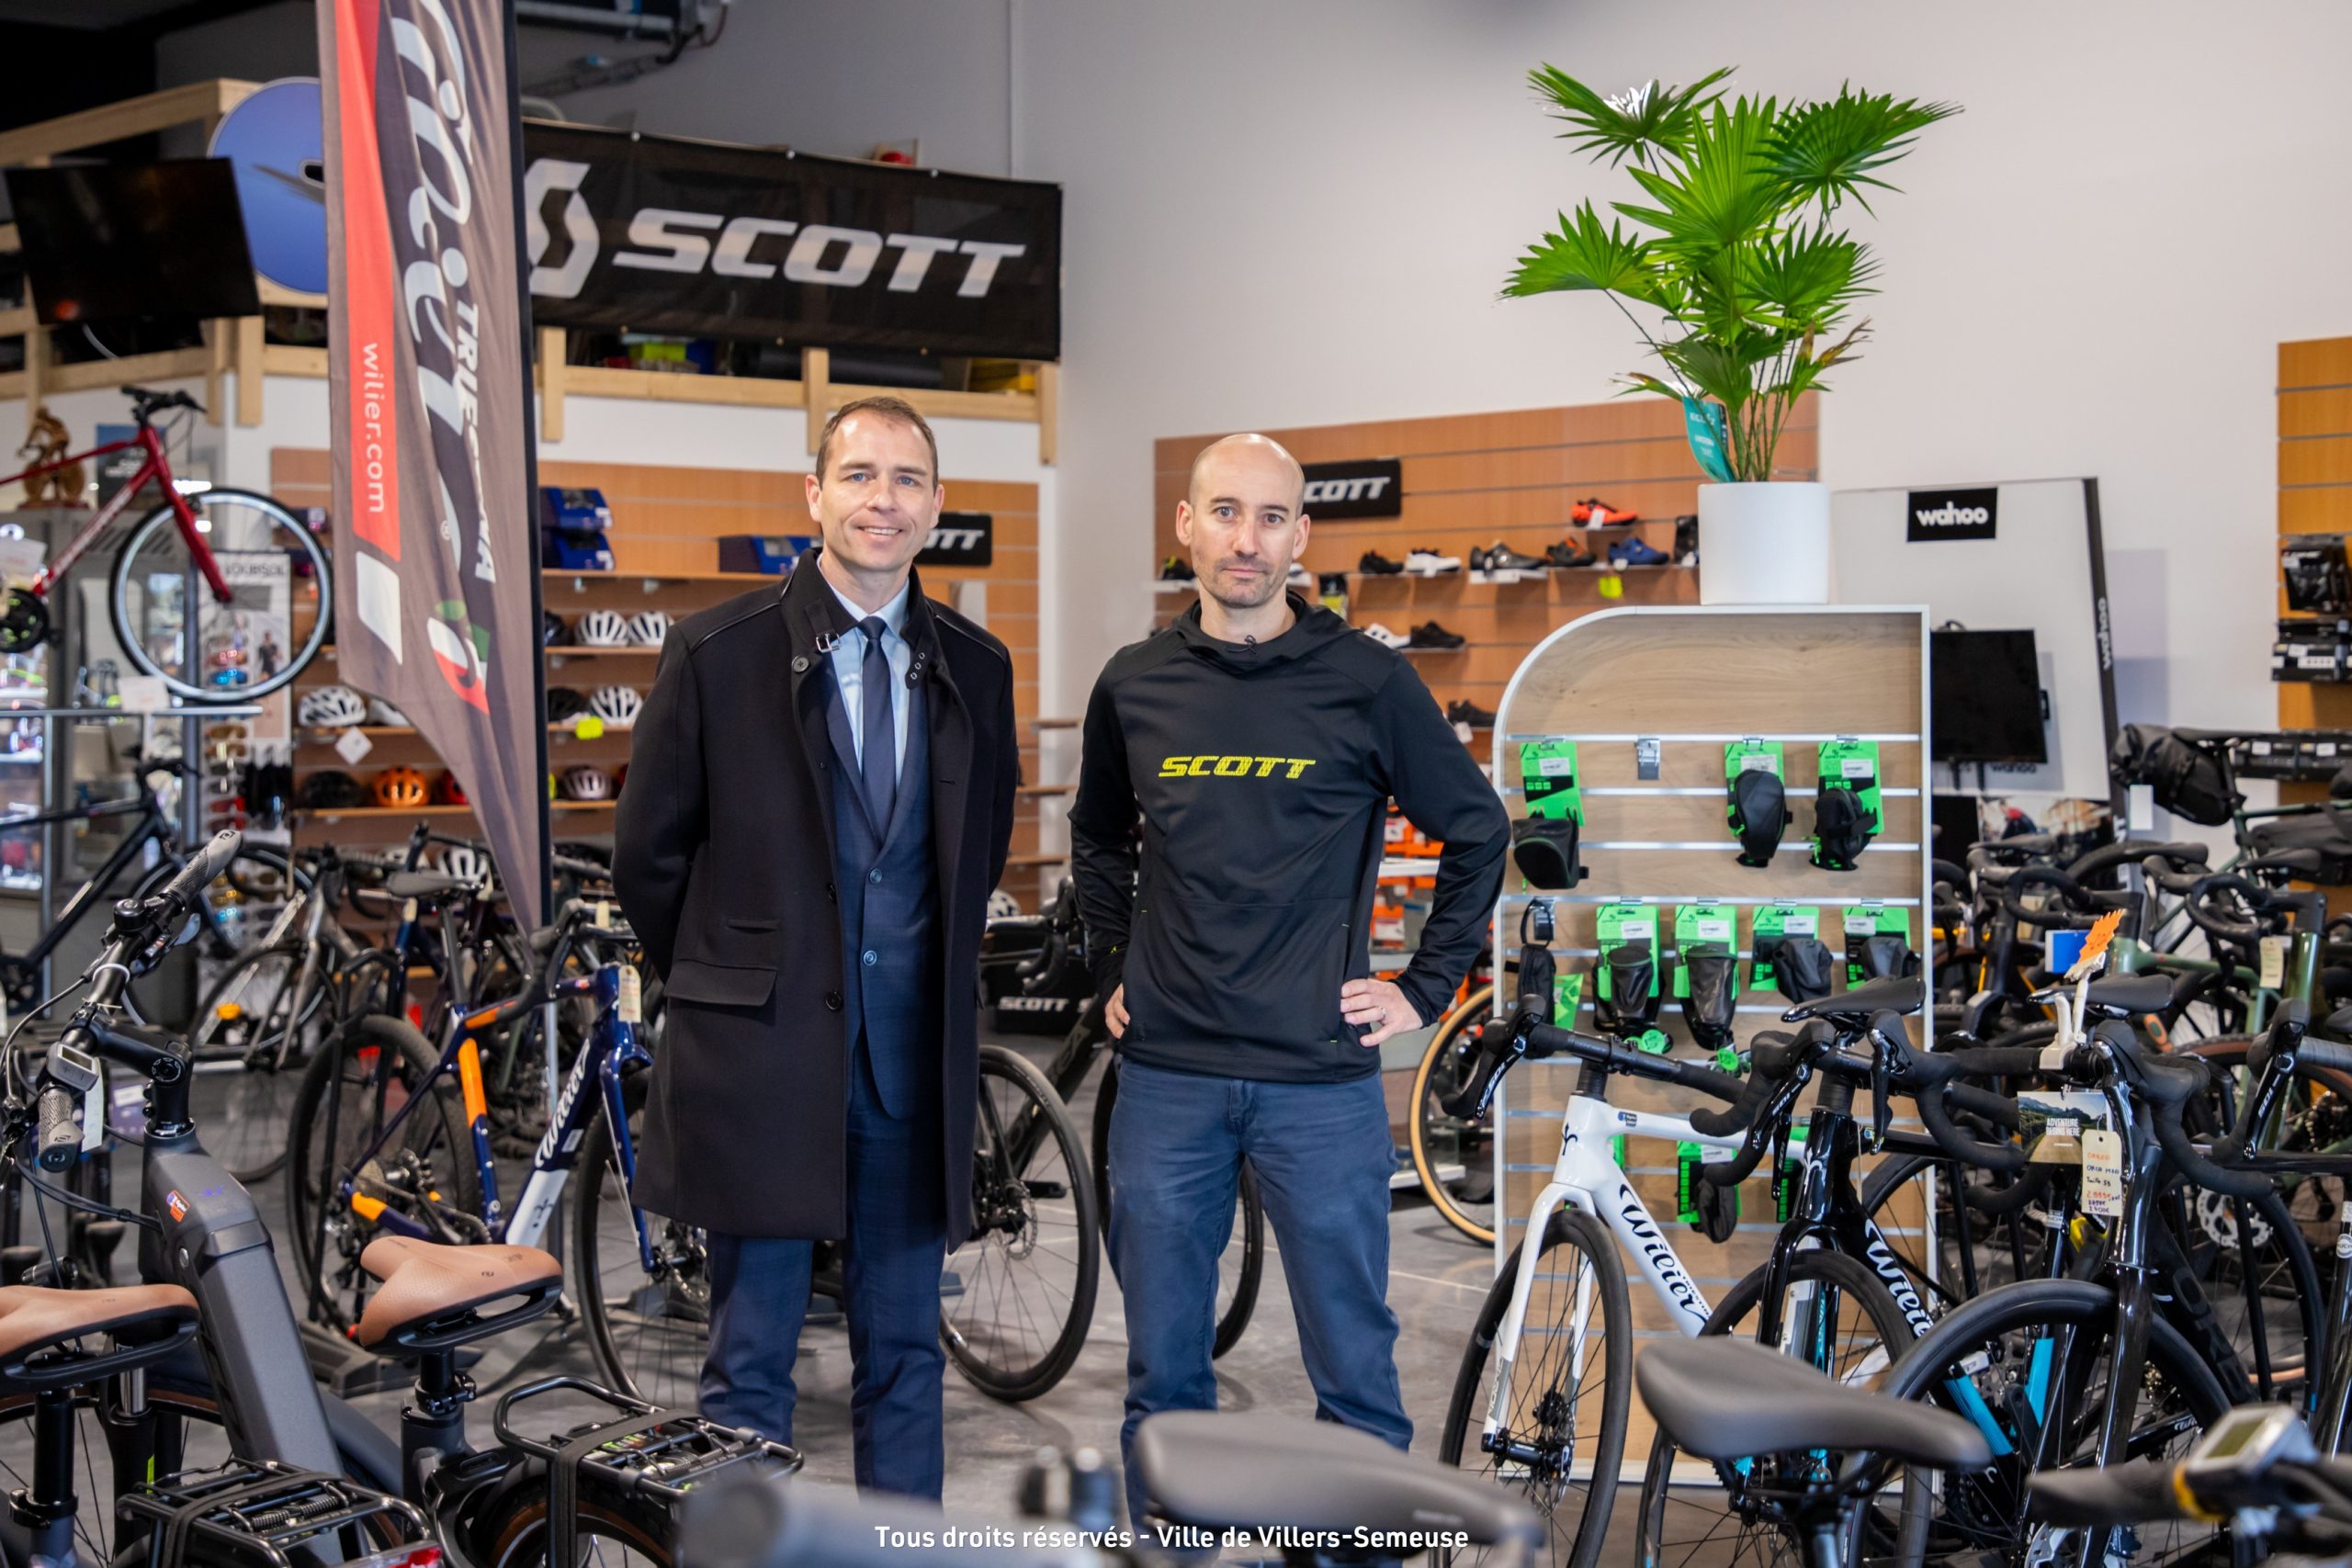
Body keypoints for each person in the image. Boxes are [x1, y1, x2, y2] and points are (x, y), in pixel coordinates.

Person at [1069, 433, 1509, 1522]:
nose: (1246, 539)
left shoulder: (1367, 679)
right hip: (1167, 1078)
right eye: (1225, 512)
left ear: (1300, 537)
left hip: (1318, 1082)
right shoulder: (1134, 683)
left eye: (1271, 518)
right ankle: (1170, 1542)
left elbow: (1477, 828)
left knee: (1354, 1366)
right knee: (1161, 1370)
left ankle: (1354, 1543)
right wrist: (1113, 960)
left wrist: (1422, 987)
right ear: (1186, 524)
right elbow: (1098, 838)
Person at [614, 395, 1021, 1498]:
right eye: (858, 475)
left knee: (906, 1355)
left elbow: (977, 846)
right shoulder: (716, 653)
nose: (882, 500)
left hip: (910, 1070)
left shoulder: (976, 666)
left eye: (906, 479)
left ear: (935, 505)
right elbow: (649, 860)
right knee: (749, 1362)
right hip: (761, 1059)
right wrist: (732, 981)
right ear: (814, 495)